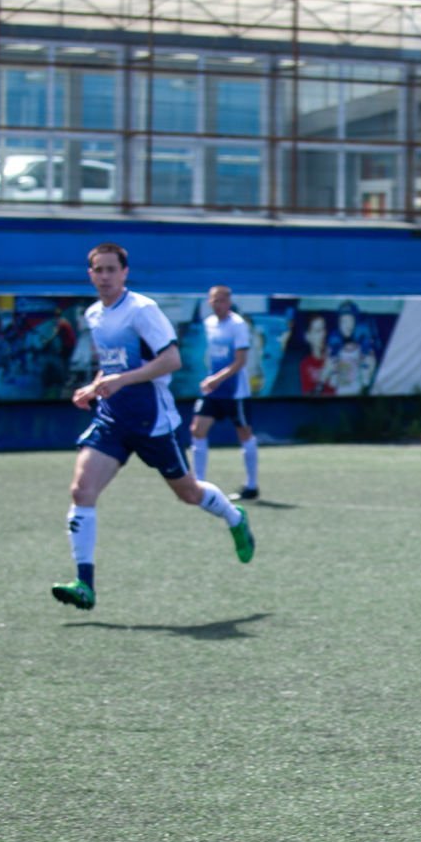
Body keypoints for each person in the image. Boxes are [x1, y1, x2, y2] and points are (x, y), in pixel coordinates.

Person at [51, 244, 255, 611]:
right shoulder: (94, 314)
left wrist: (122, 380)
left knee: (188, 493)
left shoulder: (142, 310)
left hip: (153, 422)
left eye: (112, 269)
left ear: (125, 272)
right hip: (112, 420)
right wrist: (95, 387)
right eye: (98, 270)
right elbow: (112, 365)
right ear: (90, 274)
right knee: (81, 491)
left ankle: (233, 516)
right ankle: (84, 585)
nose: (105, 277)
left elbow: (171, 360)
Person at [189, 285, 261, 501]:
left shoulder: (237, 325)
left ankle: (251, 486)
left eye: (222, 300)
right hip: (213, 391)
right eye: (214, 300)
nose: (217, 304)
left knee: (244, 433)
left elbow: (240, 361)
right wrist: (210, 378)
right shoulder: (209, 323)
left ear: (229, 302)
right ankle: (199, 484)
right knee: (197, 430)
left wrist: (216, 379)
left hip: (235, 392)